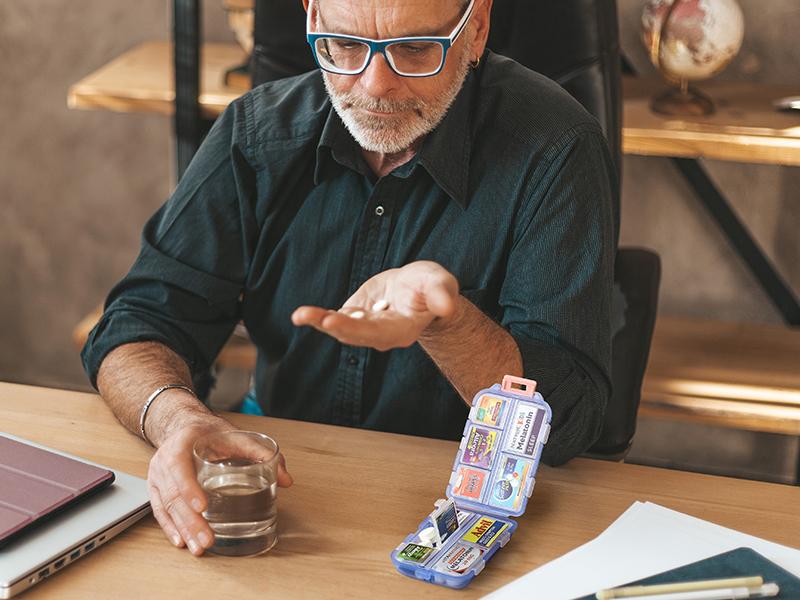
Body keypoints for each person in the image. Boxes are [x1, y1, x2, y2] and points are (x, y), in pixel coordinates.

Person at [82, 0, 616, 556]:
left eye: (414, 49)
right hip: (290, 494)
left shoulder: (556, 148)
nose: (374, 84)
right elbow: (135, 325)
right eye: (345, 45)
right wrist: (176, 419)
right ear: (313, 18)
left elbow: (571, 421)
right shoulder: (255, 133)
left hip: (464, 515)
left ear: (475, 29)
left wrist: (449, 325)